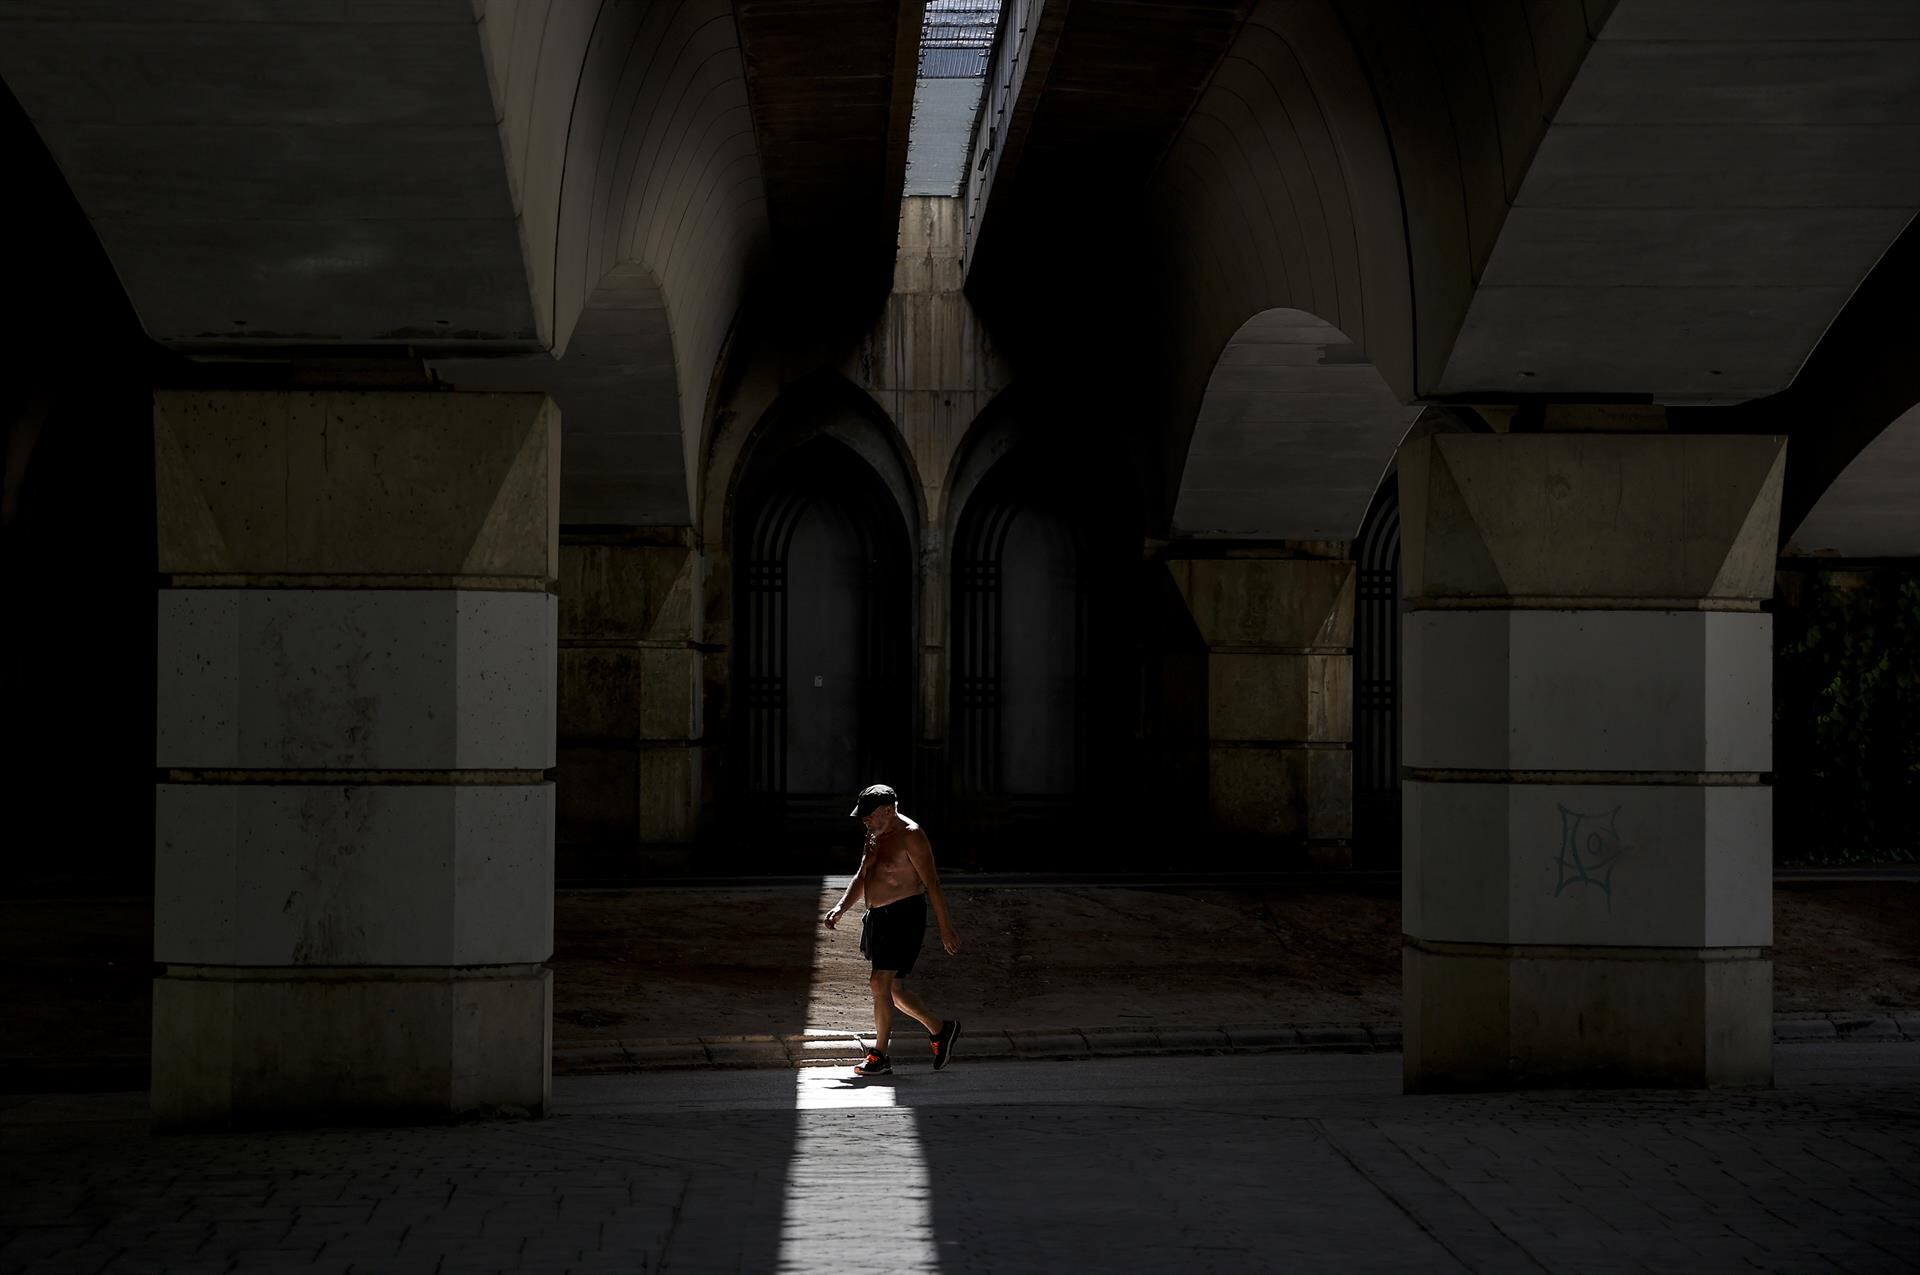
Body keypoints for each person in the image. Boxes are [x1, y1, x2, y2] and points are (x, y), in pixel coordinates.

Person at [824, 784, 962, 1076]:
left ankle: (880, 1055)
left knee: (878, 983)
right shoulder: (873, 834)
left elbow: (932, 883)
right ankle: (941, 1030)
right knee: (894, 991)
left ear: (889, 810)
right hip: (878, 918)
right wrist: (841, 907)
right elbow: (864, 874)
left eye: (870, 815)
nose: (865, 821)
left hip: (905, 915)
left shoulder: (911, 836)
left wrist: (945, 928)